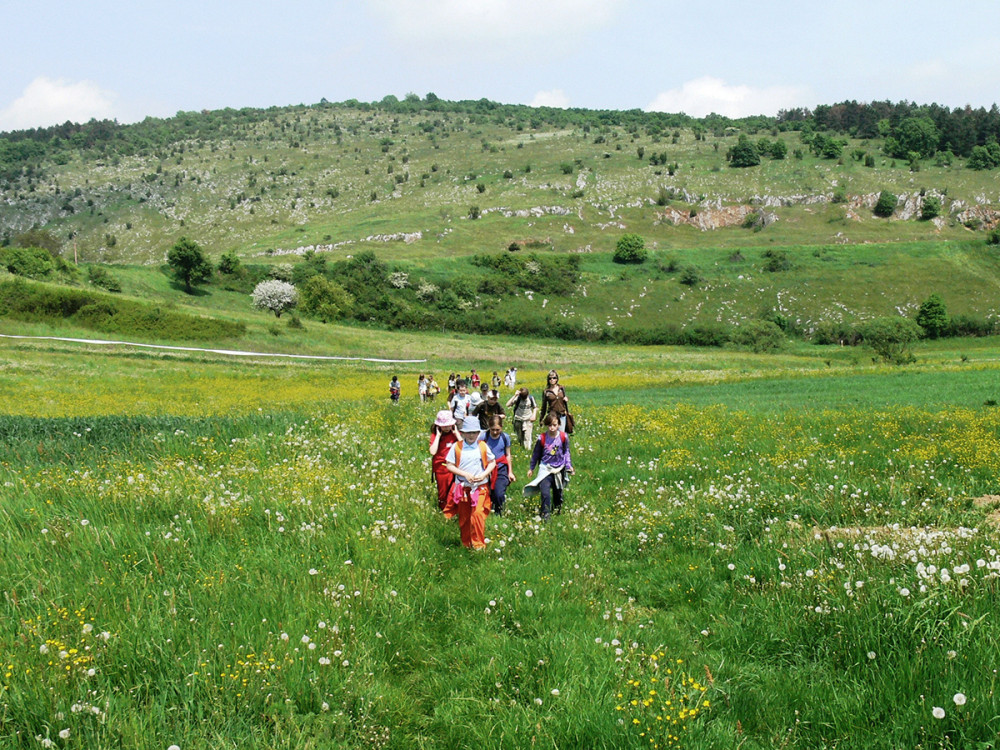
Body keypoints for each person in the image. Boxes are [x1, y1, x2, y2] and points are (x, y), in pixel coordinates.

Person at [444, 416, 496, 550]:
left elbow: (492, 462)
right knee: (465, 517)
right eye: (468, 432)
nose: (471, 435)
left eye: (474, 432)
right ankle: (466, 543)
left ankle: (479, 545)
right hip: (463, 488)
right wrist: (464, 474)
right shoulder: (457, 447)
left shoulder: (482, 446)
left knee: (478, 514)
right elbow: (449, 465)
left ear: (479, 433)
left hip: (480, 487)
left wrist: (484, 474)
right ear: (462, 433)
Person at [524, 413, 574, 521]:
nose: (552, 428)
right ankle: (546, 515)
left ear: (558, 425)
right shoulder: (541, 438)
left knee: (558, 492)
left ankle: (557, 510)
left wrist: (569, 466)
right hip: (545, 469)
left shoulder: (563, 437)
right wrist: (531, 468)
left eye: (554, 425)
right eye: (550, 425)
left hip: (559, 468)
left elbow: (566, 452)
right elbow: (536, 454)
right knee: (545, 493)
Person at [483, 415, 515, 516]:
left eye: (497, 429)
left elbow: (508, 455)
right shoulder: (484, 437)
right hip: (487, 468)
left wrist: (510, 472)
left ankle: (499, 511)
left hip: (501, 467)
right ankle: (489, 508)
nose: (495, 432)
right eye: (493, 430)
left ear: (501, 427)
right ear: (489, 427)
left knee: (499, 492)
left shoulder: (505, 437)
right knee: (487, 492)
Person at [429, 410, 460, 512]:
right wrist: (438, 436)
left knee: (453, 490)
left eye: (449, 425)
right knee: (443, 491)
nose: (447, 428)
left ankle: (452, 509)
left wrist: (457, 434)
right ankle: (443, 510)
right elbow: (433, 451)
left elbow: (464, 447)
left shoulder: (454, 435)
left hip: (454, 467)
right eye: (444, 426)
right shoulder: (435, 436)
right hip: (441, 468)